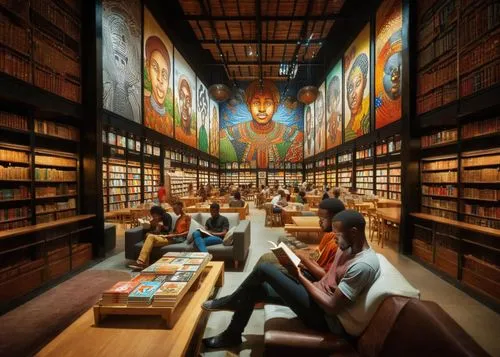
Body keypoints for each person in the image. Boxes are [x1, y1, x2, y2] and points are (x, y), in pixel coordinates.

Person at [201, 210, 380, 348]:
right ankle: (232, 335)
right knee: (257, 289)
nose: (334, 239)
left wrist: (299, 276)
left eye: (338, 235)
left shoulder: (363, 265)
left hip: (323, 318)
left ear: (354, 232)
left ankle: (230, 301)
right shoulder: (347, 248)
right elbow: (328, 279)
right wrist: (301, 266)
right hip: (314, 296)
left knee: (264, 268)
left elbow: (332, 307)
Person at [219, 80, 303, 168]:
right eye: (256, 103)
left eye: (268, 103)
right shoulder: (226, 135)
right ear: (248, 106)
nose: (262, 109)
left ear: (276, 107)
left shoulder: (295, 137)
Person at [257, 198, 344, 276]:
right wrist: (304, 254)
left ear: (335, 219)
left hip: (310, 272)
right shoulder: (330, 234)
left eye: (322, 219)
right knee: (283, 239)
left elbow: (325, 276)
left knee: (266, 258)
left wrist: (304, 260)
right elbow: (318, 253)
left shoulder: (338, 245)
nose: (319, 222)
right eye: (319, 218)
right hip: (312, 261)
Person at [129, 203, 190, 269]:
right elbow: (174, 231)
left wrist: (176, 235)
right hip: (172, 237)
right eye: (173, 209)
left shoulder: (187, 217)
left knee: (150, 237)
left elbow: (188, 231)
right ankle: (144, 264)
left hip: (178, 239)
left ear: (180, 207)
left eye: (175, 209)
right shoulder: (178, 219)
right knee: (149, 242)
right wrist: (170, 234)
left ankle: (141, 262)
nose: (174, 211)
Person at [143, 35, 173, 137]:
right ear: (148, 69)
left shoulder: (170, 121)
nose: (160, 79)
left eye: (164, 75)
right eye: (155, 68)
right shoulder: (141, 106)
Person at [345, 53, 370, 141]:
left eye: (358, 84)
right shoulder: (346, 130)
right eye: (350, 88)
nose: (353, 94)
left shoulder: (369, 113)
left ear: (365, 83)